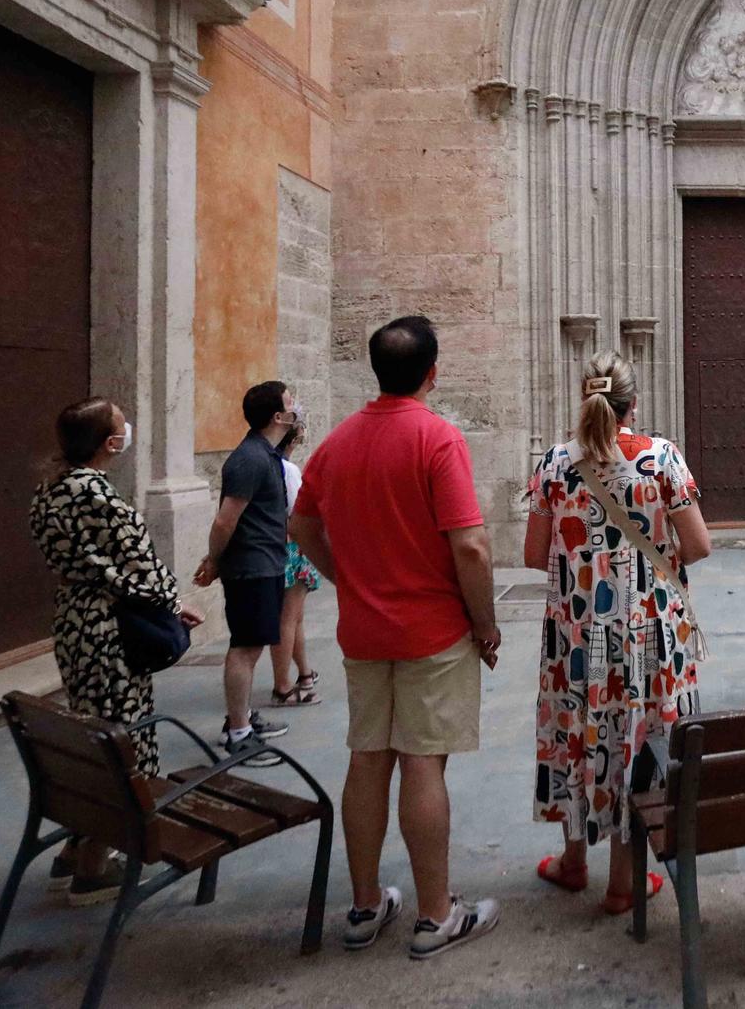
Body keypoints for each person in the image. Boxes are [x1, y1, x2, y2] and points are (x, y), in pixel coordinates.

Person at [289, 317, 502, 959]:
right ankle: (437, 914)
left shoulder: (337, 442)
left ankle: (363, 905)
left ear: (373, 369)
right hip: (433, 632)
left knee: (367, 759)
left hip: (363, 631)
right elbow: (469, 544)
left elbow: (301, 525)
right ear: (433, 372)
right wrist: (485, 624)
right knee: (422, 762)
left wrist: (344, 577)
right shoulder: (437, 439)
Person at [528, 351, 713, 916]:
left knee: (577, 729)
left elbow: (536, 554)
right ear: (635, 402)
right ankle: (623, 880)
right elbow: (700, 546)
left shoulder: (556, 463)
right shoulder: (662, 459)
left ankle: (575, 859)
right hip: (651, 631)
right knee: (639, 735)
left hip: (575, 632)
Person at [28, 398, 203, 905]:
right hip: (109, 626)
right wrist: (174, 605)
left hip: (74, 619)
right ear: (109, 443)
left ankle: (73, 850)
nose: (128, 430)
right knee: (121, 731)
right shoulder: (97, 495)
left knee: (91, 720)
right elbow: (140, 563)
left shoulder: (50, 490)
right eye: (123, 425)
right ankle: (93, 864)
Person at [195, 381, 300, 756]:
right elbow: (225, 521)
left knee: (252, 646)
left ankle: (242, 716)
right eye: (291, 403)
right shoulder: (250, 459)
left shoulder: (265, 455)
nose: (295, 408)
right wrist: (215, 560)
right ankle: (237, 732)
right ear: (277, 416)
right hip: (252, 567)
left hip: (266, 563)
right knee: (245, 648)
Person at [270, 404, 324, 708]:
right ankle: (283, 683)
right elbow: (297, 511)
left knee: (294, 617)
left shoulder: (274, 465)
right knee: (288, 619)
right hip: (290, 549)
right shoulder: (287, 470)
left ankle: (303, 673)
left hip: (283, 548)